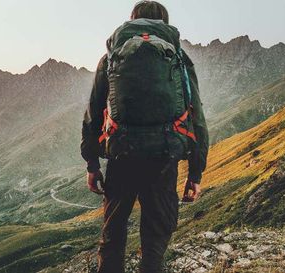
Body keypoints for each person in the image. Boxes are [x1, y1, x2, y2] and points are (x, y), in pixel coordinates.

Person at [80, 1, 209, 272]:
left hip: (122, 154)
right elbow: (196, 115)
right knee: (155, 237)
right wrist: (195, 173)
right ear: (164, 23)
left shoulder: (112, 57)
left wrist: (92, 164)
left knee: (113, 234)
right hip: (163, 156)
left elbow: (94, 111)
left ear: (132, 20)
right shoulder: (179, 58)